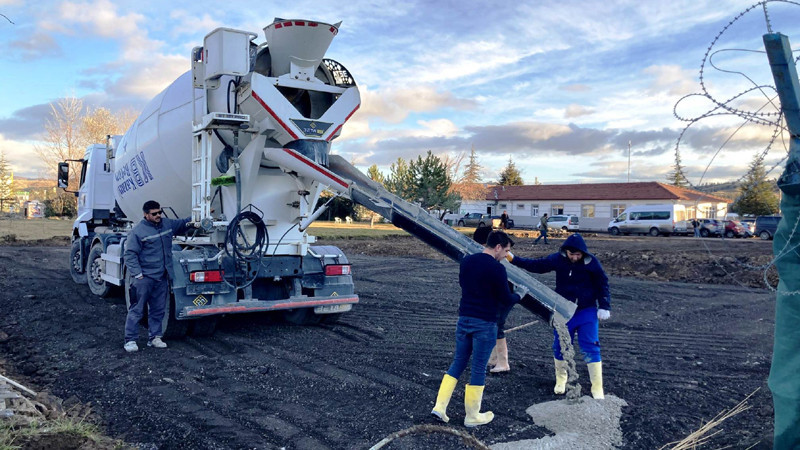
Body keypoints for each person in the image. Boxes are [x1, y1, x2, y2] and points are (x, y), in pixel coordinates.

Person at [431, 230, 523, 427]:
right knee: (478, 368)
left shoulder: (467, 261)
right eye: (506, 251)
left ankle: (440, 407)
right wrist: (519, 296)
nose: (506, 256)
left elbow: (464, 285)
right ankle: (472, 416)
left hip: (464, 319)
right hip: (485, 323)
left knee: (458, 362)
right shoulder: (497, 269)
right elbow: (505, 299)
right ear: (498, 247)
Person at [507, 233, 611, 399]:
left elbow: (602, 283)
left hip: (586, 310)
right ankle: (561, 380)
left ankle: (597, 387)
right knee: (560, 345)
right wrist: (515, 259)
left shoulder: (592, 264)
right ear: (566, 252)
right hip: (563, 311)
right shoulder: (558, 259)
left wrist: (604, 305)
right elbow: (538, 265)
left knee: (591, 345)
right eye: (572, 254)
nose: (575, 257)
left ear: (583, 253)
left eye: (578, 254)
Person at [123, 200, 191, 352]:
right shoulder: (138, 231)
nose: (158, 215)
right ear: (146, 214)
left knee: (158, 309)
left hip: (161, 277)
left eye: (159, 212)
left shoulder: (166, 224)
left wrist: (198, 217)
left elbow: (182, 224)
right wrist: (138, 274)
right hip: (144, 279)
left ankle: (155, 338)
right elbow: (130, 254)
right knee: (137, 309)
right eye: (154, 214)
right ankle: (130, 340)